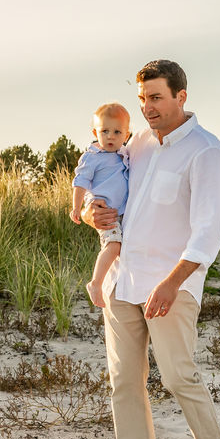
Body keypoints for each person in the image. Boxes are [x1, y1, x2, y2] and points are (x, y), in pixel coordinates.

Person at [82, 59, 220, 439]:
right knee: (124, 385)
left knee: (178, 378)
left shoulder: (206, 151)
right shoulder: (131, 144)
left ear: (181, 97)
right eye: (143, 100)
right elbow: (92, 194)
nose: (148, 108)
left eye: (156, 98)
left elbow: (208, 230)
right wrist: (87, 212)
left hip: (172, 285)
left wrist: (173, 283)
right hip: (122, 282)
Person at [70, 102, 131, 308]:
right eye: (105, 131)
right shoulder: (92, 157)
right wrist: (78, 207)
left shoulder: (125, 154)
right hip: (104, 212)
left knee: (121, 249)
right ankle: (96, 283)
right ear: (95, 132)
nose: (111, 136)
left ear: (126, 135)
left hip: (122, 213)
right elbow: (80, 182)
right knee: (113, 245)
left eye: (117, 131)